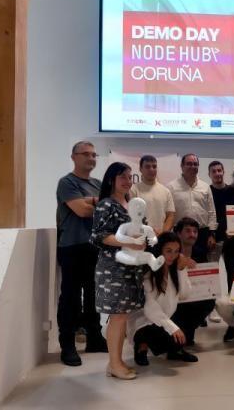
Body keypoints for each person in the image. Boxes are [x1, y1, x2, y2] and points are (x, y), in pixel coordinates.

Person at [90, 162, 146, 380]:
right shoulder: (106, 204)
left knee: (122, 316)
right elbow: (99, 236)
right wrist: (130, 242)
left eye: (130, 177)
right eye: (122, 176)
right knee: (118, 316)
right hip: (113, 269)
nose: (127, 180)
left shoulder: (131, 203)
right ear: (111, 179)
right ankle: (114, 364)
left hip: (131, 268)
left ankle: (116, 361)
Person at [55, 141, 107, 366]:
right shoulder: (66, 182)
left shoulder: (98, 183)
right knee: (71, 298)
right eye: (86, 154)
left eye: (94, 154)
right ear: (73, 157)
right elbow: (82, 211)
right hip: (72, 247)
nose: (91, 158)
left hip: (95, 247)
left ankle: (94, 338)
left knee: (94, 295)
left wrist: (90, 202)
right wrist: (96, 202)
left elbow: (108, 210)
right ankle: (67, 345)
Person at [132, 232, 199, 366]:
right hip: (146, 321)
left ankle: (174, 350)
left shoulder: (174, 268)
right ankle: (141, 345)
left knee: (191, 312)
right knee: (153, 329)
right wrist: (172, 328)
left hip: (165, 317)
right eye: (168, 251)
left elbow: (185, 294)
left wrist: (181, 269)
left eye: (176, 251)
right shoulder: (148, 272)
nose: (173, 255)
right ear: (159, 250)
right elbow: (150, 308)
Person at [170, 217, 216, 345]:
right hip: (174, 296)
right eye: (188, 231)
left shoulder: (200, 253)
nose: (192, 234)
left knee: (209, 302)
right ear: (178, 234)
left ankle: (187, 331)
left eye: (195, 231)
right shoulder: (170, 253)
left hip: (193, 295)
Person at [167, 154, 217, 251]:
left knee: (201, 260)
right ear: (182, 166)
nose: (192, 166)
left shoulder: (205, 187)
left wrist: (212, 234)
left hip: (201, 234)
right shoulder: (171, 187)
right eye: (189, 164)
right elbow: (168, 214)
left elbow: (211, 212)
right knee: (180, 260)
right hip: (180, 234)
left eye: (195, 164)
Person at [130, 155, 175, 235]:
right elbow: (132, 216)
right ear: (140, 169)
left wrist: (162, 234)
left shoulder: (166, 191)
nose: (151, 169)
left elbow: (170, 216)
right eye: (147, 167)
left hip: (161, 237)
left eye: (154, 166)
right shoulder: (133, 190)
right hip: (140, 237)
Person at [208, 160, 229, 254]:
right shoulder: (206, 192)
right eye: (213, 171)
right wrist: (210, 235)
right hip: (213, 239)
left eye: (219, 170)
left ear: (223, 172)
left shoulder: (232, 191)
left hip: (230, 237)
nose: (217, 173)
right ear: (209, 174)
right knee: (213, 263)